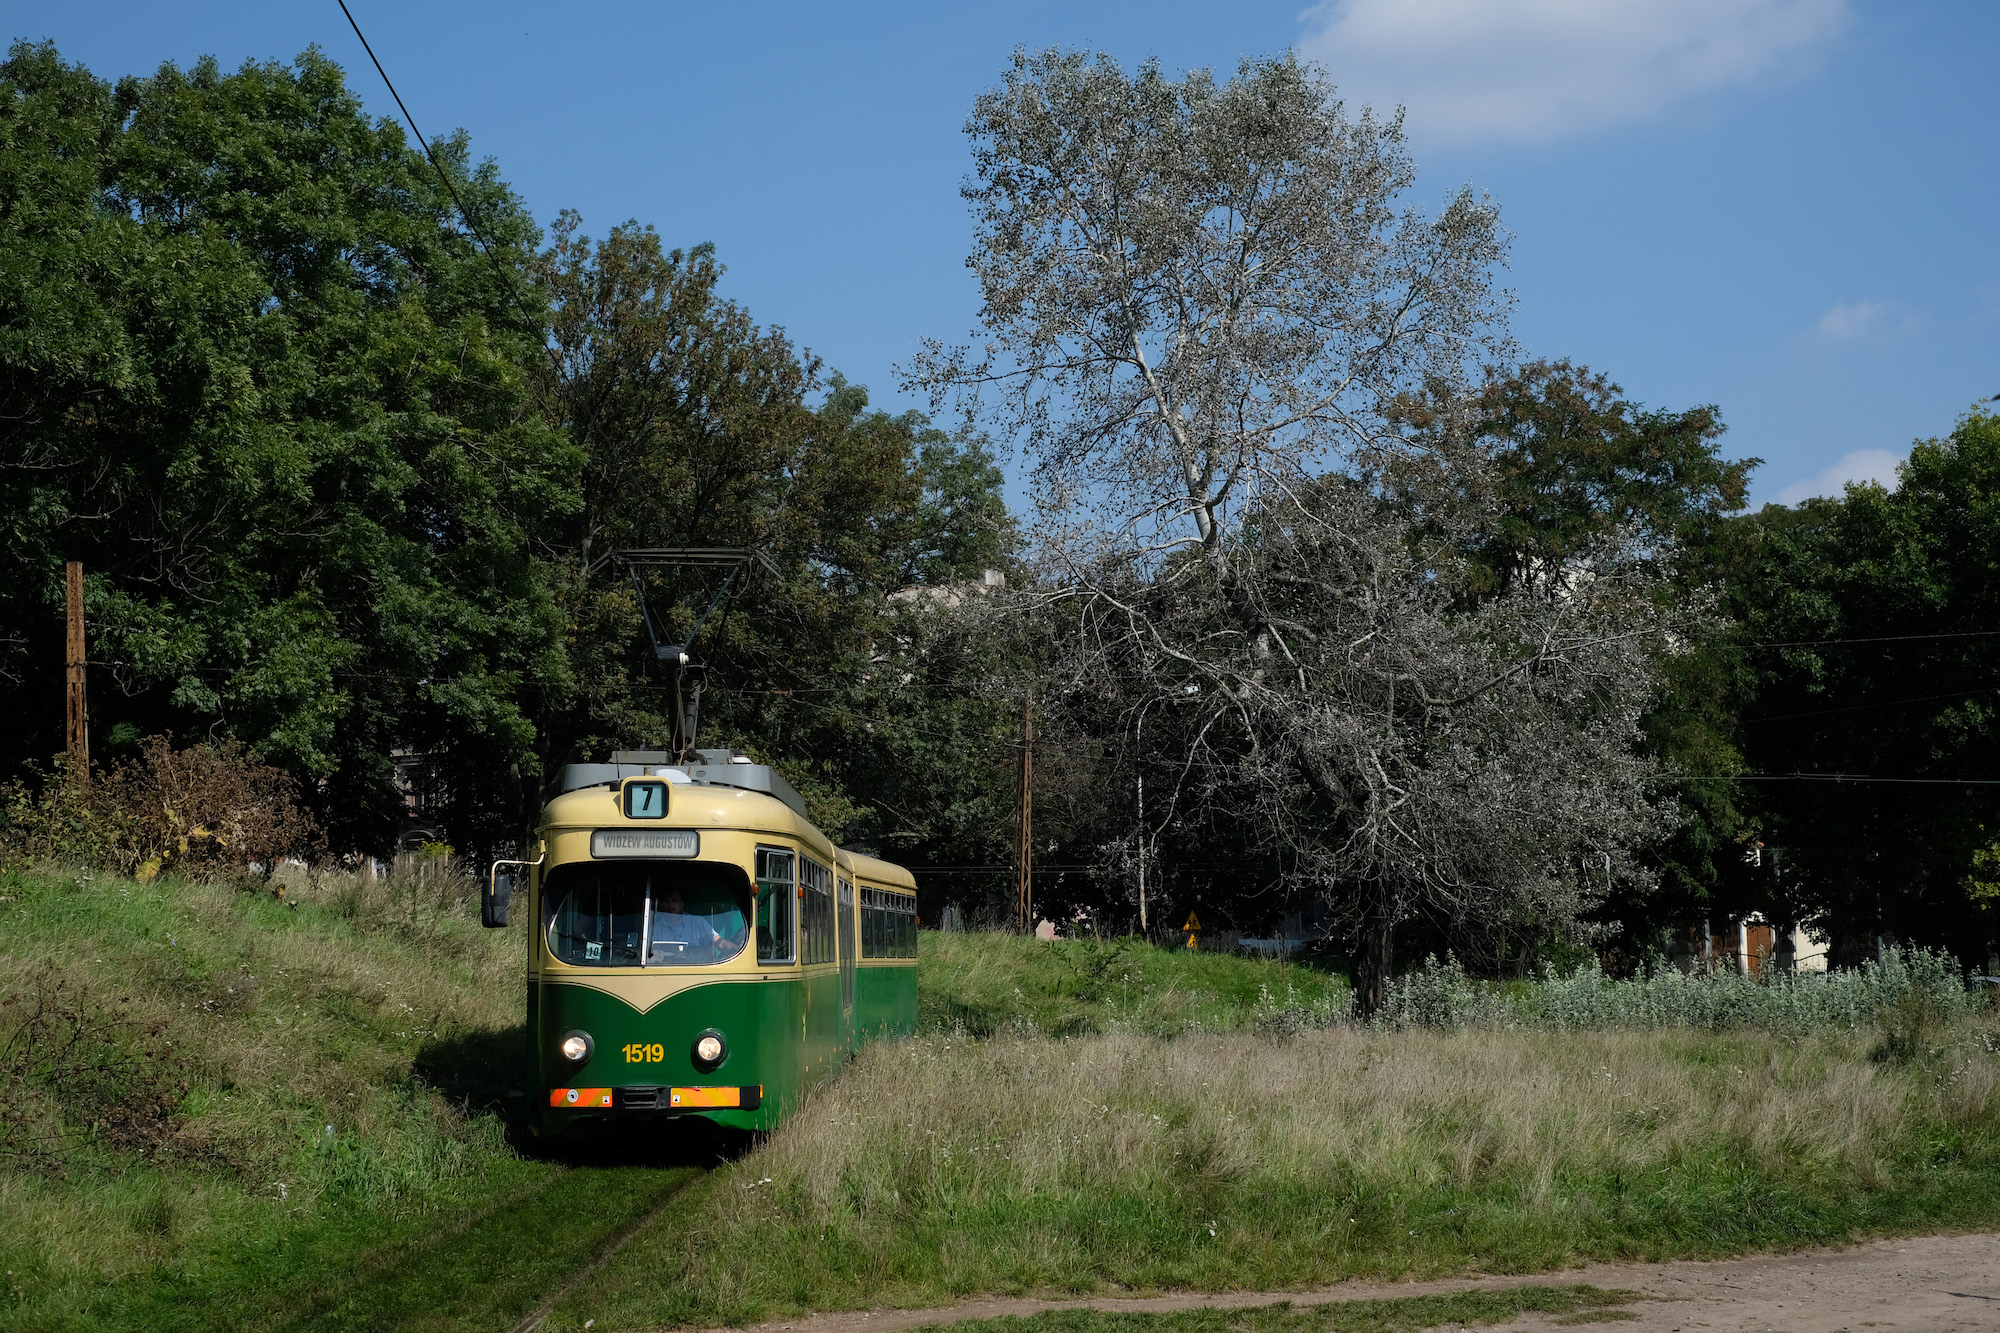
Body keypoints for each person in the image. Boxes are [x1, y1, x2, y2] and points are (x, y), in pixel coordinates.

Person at [649, 887, 725, 962]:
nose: (670, 906)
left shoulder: (697, 922)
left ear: (682, 904)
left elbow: (719, 942)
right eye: (666, 901)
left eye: (674, 901)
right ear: (661, 904)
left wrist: (735, 948)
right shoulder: (654, 929)